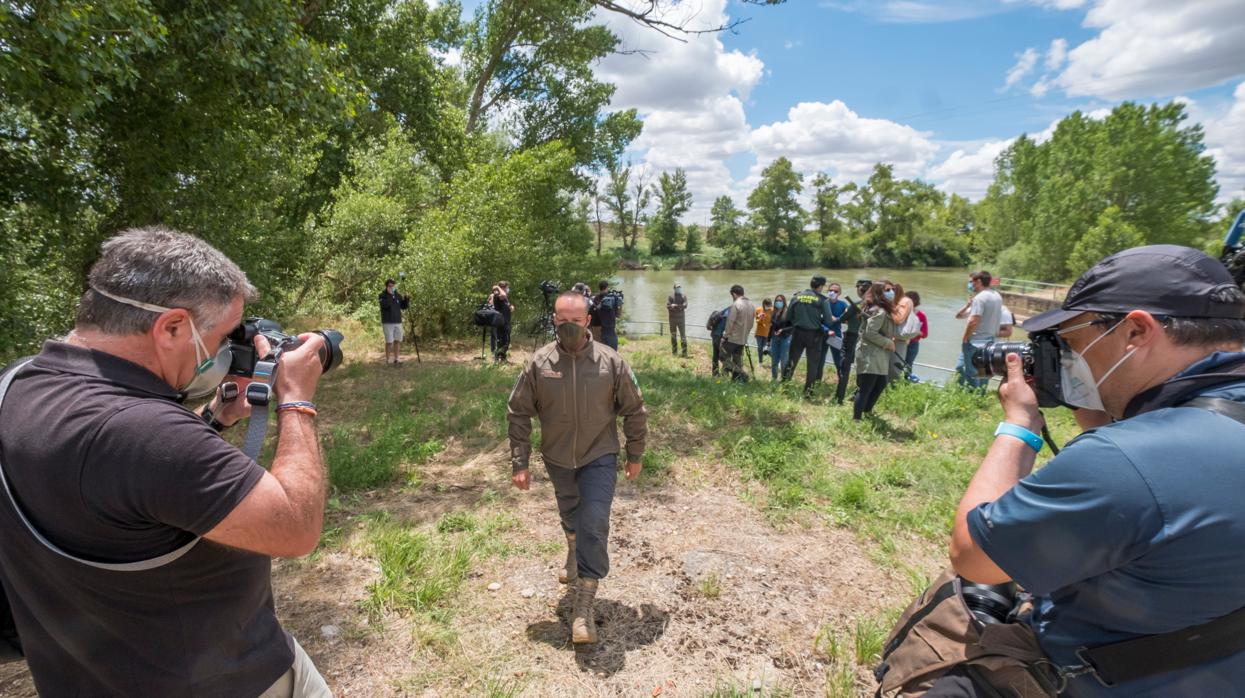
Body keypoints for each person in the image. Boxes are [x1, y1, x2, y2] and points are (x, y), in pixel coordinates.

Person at [0, 227, 332, 696]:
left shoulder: (16, 385)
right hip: (225, 681)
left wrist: (211, 418)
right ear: (172, 327)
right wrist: (297, 401)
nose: (223, 349)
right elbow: (295, 528)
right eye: (222, 334)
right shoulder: (146, 434)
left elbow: (122, 487)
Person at [948, 245, 1245, 697]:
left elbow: (975, 557)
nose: (1067, 358)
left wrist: (1019, 425)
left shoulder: (1127, 461)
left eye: (1071, 343)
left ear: (1135, 332)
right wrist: (1106, 404)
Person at [507, 292, 647, 645]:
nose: (568, 325)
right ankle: (572, 546)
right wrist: (520, 462)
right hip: (557, 459)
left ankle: (583, 606)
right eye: (562, 319)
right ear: (554, 320)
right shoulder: (539, 363)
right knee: (571, 514)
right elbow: (518, 411)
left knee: (595, 521)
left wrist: (635, 453)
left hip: (599, 455)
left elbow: (634, 409)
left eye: (576, 319)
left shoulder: (610, 362)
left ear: (588, 321)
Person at [782, 275, 832, 397]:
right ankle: (808, 392)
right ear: (820, 286)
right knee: (812, 364)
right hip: (814, 336)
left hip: (797, 333)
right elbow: (828, 321)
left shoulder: (797, 297)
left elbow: (787, 317)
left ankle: (784, 388)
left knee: (791, 361)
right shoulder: (822, 300)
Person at [853, 282, 896, 420]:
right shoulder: (880, 311)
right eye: (888, 290)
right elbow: (870, 333)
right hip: (870, 354)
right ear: (879, 293)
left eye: (892, 289)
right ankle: (857, 419)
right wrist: (888, 342)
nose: (891, 292)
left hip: (877, 354)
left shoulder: (880, 309)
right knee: (866, 388)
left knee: (880, 384)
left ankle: (866, 411)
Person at [955, 270, 1003, 388]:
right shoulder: (997, 295)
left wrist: (965, 338)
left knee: (971, 371)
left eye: (973, 282)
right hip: (990, 340)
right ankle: (980, 395)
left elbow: (974, 320)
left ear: (979, 282)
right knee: (983, 371)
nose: (971, 285)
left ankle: (972, 397)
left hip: (976, 340)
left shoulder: (980, 298)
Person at [833, 280, 870, 404]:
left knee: (845, 368)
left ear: (859, 290)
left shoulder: (856, 305)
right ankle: (858, 396)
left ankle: (839, 397)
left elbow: (842, 319)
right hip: (868, 340)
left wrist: (837, 318)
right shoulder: (877, 307)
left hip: (852, 337)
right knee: (863, 369)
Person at [722, 285, 756, 383]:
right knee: (737, 359)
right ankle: (736, 381)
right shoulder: (751, 304)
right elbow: (751, 323)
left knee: (723, 356)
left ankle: (740, 374)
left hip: (732, 338)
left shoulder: (736, 304)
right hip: (743, 338)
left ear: (734, 294)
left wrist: (725, 336)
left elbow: (730, 322)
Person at [821, 282, 849, 386]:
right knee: (820, 360)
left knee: (838, 360)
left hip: (836, 336)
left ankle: (841, 383)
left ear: (840, 293)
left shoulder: (843, 304)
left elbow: (847, 319)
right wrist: (826, 329)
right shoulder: (823, 303)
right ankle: (816, 381)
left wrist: (836, 319)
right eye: (830, 290)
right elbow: (818, 321)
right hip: (822, 335)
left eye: (835, 291)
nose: (832, 292)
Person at [379, 278, 410, 365]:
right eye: (390, 286)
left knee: (397, 340)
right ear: (386, 286)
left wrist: (406, 299)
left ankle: (396, 358)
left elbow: (403, 307)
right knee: (389, 341)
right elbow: (386, 305)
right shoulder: (382, 296)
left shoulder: (397, 295)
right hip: (388, 322)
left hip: (398, 321)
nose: (392, 288)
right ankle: (387, 359)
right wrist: (391, 296)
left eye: (393, 286)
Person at [887, 280, 913, 382]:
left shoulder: (905, 301)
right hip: (889, 338)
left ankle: (893, 391)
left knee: (894, 368)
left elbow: (899, 319)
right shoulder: (895, 302)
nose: (890, 293)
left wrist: (889, 306)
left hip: (899, 340)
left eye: (892, 290)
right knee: (886, 367)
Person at [902, 291, 928, 380]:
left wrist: (916, 332)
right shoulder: (901, 313)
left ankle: (905, 384)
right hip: (900, 341)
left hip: (913, 344)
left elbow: (925, 334)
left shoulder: (921, 315)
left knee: (907, 366)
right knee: (895, 364)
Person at [487, 281, 514, 363]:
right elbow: (503, 295)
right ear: (503, 287)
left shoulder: (505, 298)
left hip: (506, 321)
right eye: (506, 287)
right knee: (501, 340)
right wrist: (497, 287)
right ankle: (498, 358)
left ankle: (503, 358)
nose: (508, 289)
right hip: (500, 322)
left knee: (506, 340)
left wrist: (511, 307)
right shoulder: (497, 295)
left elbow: (507, 305)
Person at [768, 294, 793, 382]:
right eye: (777, 301)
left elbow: (793, 326)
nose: (778, 302)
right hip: (775, 339)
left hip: (785, 339)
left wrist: (782, 330)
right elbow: (771, 327)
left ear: (784, 302)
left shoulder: (788, 312)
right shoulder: (774, 313)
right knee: (774, 360)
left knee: (784, 361)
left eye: (780, 301)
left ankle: (784, 380)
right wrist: (768, 340)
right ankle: (774, 379)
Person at [592, 279, 622, 351]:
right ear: (607, 287)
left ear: (599, 287)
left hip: (597, 327)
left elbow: (594, 310)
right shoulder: (612, 298)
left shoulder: (596, 298)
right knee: (612, 352)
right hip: (609, 329)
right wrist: (620, 304)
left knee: (599, 350)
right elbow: (618, 315)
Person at [667, 282, 689, 356]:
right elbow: (668, 306)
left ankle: (684, 353)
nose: (679, 289)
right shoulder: (671, 296)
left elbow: (685, 305)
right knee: (673, 335)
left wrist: (675, 306)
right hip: (672, 319)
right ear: (674, 289)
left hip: (681, 320)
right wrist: (674, 306)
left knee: (683, 336)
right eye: (677, 288)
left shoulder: (684, 296)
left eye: (679, 287)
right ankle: (674, 352)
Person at [708, 304, 730, 377]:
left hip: (714, 334)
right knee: (724, 356)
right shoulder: (731, 313)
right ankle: (724, 374)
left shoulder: (725, 310)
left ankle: (715, 373)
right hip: (720, 336)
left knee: (715, 355)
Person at [754, 298, 773, 365]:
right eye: (767, 305)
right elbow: (757, 321)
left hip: (768, 333)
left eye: (769, 305)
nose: (768, 307)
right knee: (760, 348)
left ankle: (776, 360)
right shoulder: (758, 310)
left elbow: (774, 321)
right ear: (764, 304)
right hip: (759, 332)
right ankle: (760, 362)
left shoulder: (772, 310)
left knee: (766, 349)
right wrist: (760, 318)